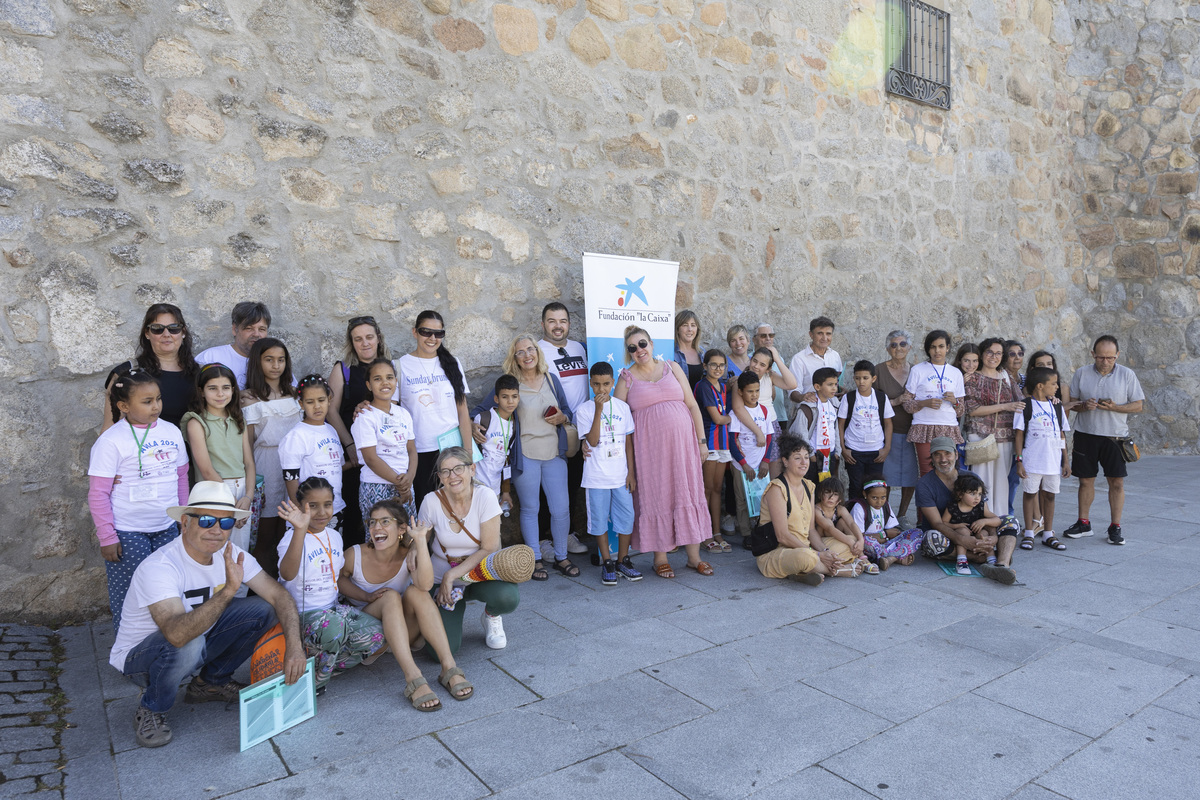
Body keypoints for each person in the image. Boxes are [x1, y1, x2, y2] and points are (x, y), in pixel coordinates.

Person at [109, 481, 304, 748]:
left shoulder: (232, 554)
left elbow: (279, 596)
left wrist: (295, 647)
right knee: (189, 641)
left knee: (264, 609)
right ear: (185, 524)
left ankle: (210, 683)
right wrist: (228, 592)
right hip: (141, 659)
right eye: (206, 520)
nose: (216, 530)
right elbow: (176, 634)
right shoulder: (160, 567)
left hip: (196, 640)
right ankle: (152, 708)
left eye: (225, 523)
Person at [338, 500, 473, 710]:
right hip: (370, 639)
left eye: (385, 521)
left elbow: (426, 584)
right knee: (391, 596)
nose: (376, 528)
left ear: (402, 529)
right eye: (372, 523)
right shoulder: (354, 554)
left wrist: (420, 542)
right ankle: (413, 677)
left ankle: (449, 667)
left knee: (416, 592)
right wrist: (365, 596)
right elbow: (338, 580)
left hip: (404, 634)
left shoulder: (409, 554)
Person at [89, 370, 189, 632]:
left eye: (157, 399)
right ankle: (129, 648)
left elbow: (181, 478)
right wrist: (107, 537)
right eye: (146, 401)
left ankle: (164, 642)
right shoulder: (111, 441)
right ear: (123, 406)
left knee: (166, 588)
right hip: (128, 531)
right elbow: (98, 493)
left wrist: (184, 518)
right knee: (131, 591)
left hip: (167, 527)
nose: (155, 406)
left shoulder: (172, 432)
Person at [615, 325, 714, 578]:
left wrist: (702, 442)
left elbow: (692, 405)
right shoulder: (626, 378)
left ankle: (694, 557)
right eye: (632, 348)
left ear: (652, 344)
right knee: (657, 496)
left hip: (684, 447)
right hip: (649, 453)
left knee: (687, 493)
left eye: (642, 344)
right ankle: (660, 557)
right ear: (628, 353)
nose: (639, 350)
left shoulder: (672, 367)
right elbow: (617, 421)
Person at [476, 335, 576, 581]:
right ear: (515, 358)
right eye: (520, 352)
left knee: (561, 509)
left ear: (538, 353)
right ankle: (534, 560)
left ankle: (562, 556)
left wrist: (562, 418)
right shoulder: (511, 385)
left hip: (554, 453)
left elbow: (568, 411)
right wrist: (471, 424)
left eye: (531, 349)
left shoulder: (552, 380)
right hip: (525, 455)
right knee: (531, 508)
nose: (527, 355)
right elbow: (480, 409)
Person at [276, 478, 384, 691]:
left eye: (327, 504)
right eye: (312, 506)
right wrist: (299, 530)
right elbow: (287, 574)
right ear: (300, 506)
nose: (322, 512)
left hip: (332, 612)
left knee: (376, 634)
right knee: (335, 628)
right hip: (301, 617)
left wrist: (367, 597)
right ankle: (316, 685)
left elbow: (337, 580)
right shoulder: (290, 538)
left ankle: (322, 666)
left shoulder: (334, 536)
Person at [419, 447, 520, 652]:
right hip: (442, 581)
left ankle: (491, 616)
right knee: (439, 653)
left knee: (507, 597)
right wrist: (414, 546)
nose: (452, 476)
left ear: (472, 469)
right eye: (445, 471)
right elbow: (420, 542)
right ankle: (450, 610)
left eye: (458, 469)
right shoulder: (431, 501)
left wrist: (452, 575)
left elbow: (490, 548)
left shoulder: (485, 496)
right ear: (439, 476)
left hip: (479, 574)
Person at [1063, 335, 1145, 546]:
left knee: (1116, 482)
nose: (1105, 361)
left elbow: (1138, 405)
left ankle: (1115, 527)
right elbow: (1072, 404)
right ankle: (1083, 523)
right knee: (1085, 481)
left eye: (1110, 357)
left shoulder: (1127, 374)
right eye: (1101, 357)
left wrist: (1115, 407)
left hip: (1115, 436)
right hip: (1086, 434)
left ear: (1117, 355)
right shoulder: (1081, 373)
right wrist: (1084, 404)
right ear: (1093, 354)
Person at [328, 316, 399, 547]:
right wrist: (350, 446)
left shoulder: (389, 367)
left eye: (369, 337)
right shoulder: (343, 370)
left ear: (378, 338)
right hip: (354, 460)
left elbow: (396, 409)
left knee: (384, 515)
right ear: (352, 343)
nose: (365, 343)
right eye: (358, 339)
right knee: (354, 517)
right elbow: (331, 411)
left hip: (385, 456)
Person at [915, 437, 1018, 585]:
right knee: (931, 539)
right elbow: (937, 523)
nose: (943, 459)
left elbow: (985, 513)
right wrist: (963, 540)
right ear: (931, 457)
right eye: (937, 454)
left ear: (956, 455)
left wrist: (993, 538)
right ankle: (980, 557)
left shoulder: (971, 478)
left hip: (976, 532)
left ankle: (1002, 565)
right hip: (948, 535)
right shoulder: (924, 485)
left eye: (947, 453)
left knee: (1010, 521)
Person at [398, 311, 472, 510]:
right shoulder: (400, 366)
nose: (432, 338)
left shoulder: (453, 363)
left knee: (457, 507)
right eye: (426, 332)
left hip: (452, 449)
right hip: (419, 452)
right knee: (427, 508)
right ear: (415, 332)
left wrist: (469, 455)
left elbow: (463, 412)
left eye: (438, 334)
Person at [574, 362, 640, 584]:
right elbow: (591, 441)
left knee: (626, 517)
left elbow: (629, 443)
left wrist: (631, 473)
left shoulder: (622, 407)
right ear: (591, 384)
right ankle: (607, 562)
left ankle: (622, 560)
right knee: (599, 520)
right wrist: (598, 410)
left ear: (613, 383)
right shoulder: (583, 410)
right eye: (597, 385)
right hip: (596, 477)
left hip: (620, 475)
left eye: (606, 384)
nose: (601, 389)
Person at [241, 338, 301, 578]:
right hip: (266, 463)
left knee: (288, 527)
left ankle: (287, 584)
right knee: (265, 531)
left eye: (281, 360)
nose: (276, 365)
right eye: (269, 360)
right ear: (258, 362)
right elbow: (248, 443)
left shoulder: (295, 394)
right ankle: (264, 590)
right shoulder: (249, 398)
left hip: (294, 465)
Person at [181, 364, 255, 556]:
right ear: (202, 392)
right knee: (215, 549)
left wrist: (248, 496)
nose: (220, 394)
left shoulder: (238, 418)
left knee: (240, 551)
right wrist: (229, 503)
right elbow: (206, 469)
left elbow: (249, 462)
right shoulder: (196, 422)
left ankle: (239, 587)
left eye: (226, 388)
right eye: (212, 388)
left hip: (243, 492)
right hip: (215, 490)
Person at [754, 433, 844, 585]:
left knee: (843, 547)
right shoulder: (777, 489)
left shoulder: (809, 487)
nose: (804, 462)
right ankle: (843, 569)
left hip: (806, 548)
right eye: (797, 458)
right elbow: (782, 536)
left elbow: (811, 531)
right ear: (785, 461)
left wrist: (825, 552)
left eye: (807, 457)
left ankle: (806, 571)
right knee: (805, 558)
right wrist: (817, 555)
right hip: (778, 552)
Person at [537, 302, 590, 557]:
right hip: (551, 428)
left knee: (572, 484)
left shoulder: (579, 348)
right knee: (549, 486)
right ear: (543, 324)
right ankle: (544, 539)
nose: (558, 326)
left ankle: (565, 535)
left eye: (562, 321)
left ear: (569, 323)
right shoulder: (537, 350)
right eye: (552, 321)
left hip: (579, 430)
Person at [102, 303, 199, 430]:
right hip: (141, 448)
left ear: (183, 332)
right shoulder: (126, 373)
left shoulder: (199, 373)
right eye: (157, 328)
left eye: (174, 328)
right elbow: (110, 427)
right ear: (147, 333)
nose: (166, 334)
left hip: (188, 449)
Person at [350, 359, 418, 523]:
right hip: (377, 486)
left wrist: (409, 478)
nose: (385, 382)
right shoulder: (365, 417)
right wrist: (401, 485)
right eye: (377, 379)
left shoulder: (403, 414)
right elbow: (371, 459)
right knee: (380, 538)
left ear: (396, 381)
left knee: (408, 535)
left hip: (406, 485)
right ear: (369, 385)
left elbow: (411, 450)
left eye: (389, 377)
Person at [963, 338, 1024, 517]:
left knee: (1001, 483)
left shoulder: (1006, 376)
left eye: (998, 353)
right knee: (979, 482)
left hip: (1005, 439)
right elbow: (972, 409)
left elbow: (1020, 401)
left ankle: (1000, 520)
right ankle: (979, 518)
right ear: (982, 354)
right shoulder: (973, 378)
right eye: (990, 352)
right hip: (979, 437)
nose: (994, 356)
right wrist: (1005, 406)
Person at [1014, 366, 1071, 551]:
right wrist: (1019, 460)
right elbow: (1019, 435)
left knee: (1050, 495)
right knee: (1030, 494)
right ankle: (1029, 532)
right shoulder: (1025, 406)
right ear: (1040, 386)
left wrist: (1066, 460)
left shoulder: (1056, 405)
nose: (1057, 387)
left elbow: (1061, 434)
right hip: (1032, 460)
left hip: (1052, 461)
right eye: (1053, 384)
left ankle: (1048, 533)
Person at [278, 375, 346, 530]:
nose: (317, 406)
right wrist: (302, 514)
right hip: (308, 513)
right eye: (310, 402)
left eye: (321, 400)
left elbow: (337, 466)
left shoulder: (331, 430)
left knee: (330, 551)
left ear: (329, 399)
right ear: (301, 404)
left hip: (334, 509)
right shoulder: (297, 436)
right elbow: (291, 480)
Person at [904, 330, 965, 477]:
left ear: (948, 348)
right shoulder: (918, 370)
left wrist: (954, 401)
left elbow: (961, 410)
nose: (937, 351)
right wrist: (924, 403)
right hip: (924, 426)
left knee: (948, 471)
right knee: (927, 472)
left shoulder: (956, 373)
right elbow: (906, 403)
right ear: (928, 349)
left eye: (941, 346)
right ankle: (928, 500)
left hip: (948, 427)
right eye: (933, 347)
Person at [732, 345, 796, 477]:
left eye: (762, 364)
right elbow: (738, 409)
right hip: (749, 427)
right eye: (754, 361)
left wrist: (777, 359)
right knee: (752, 474)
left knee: (773, 473)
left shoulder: (770, 377)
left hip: (770, 427)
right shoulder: (740, 381)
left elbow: (792, 384)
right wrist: (758, 432)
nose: (756, 366)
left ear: (768, 369)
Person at [876, 330, 919, 522]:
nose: (898, 348)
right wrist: (897, 401)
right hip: (887, 432)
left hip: (913, 431)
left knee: (911, 476)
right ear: (887, 348)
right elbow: (872, 402)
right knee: (885, 477)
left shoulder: (917, 370)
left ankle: (901, 514)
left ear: (909, 347)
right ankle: (885, 514)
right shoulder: (878, 371)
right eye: (893, 345)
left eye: (902, 344)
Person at [729, 370, 775, 543]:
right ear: (740, 392)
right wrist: (744, 464)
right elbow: (732, 442)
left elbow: (769, 437)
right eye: (750, 391)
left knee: (761, 497)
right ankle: (746, 533)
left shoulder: (763, 410)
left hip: (760, 464)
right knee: (742, 499)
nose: (754, 395)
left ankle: (760, 528)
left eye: (757, 391)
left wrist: (766, 460)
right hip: (742, 465)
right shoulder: (736, 414)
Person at [838, 360, 894, 500]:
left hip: (876, 451)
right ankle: (853, 516)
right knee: (856, 486)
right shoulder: (849, 398)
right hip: (854, 452)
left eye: (865, 378)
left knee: (875, 486)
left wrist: (886, 448)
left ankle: (871, 517)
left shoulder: (881, 398)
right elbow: (840, 424)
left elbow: (888, 423)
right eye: (857, 378)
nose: (861, 382)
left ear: (873, 379)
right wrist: (843, 449)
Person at [694, 349, 733, 553]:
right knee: (706, 489)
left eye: (721, 365)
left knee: (718, 488)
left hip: (723, 443)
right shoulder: (703, 386)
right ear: (705, 366)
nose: (718, 368)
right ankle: (704, 533)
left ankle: (716, 532)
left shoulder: (724, 386)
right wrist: (731, 418)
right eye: (713, 365)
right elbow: (718, 419)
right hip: (708, 443)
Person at [195, 301, 271, 390]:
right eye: (249, 328)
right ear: (235, 329)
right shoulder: (210, 358)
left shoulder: (274, 362)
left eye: (262, 329)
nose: (256, 334)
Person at [851, 479, 923, 569]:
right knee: (867, 541)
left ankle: (890, 558)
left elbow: (893, 531)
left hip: (885, 543)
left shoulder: (885, 506)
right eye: (874, 498)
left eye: (883, 497)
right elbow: (859, 536)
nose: (879, 502)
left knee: (917, 533)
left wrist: (886, 537)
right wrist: (883, 534)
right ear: (865, 494)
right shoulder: (859, 508)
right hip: (871, 544)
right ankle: (897, 556)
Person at [473, 375, 519, 513]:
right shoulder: (484, 418)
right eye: (505, 397)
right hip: (475, 484)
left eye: (514, 396)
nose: (510, 401)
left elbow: (506, 459)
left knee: (492, 526)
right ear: (496, 399)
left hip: (495, 489)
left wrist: (505, 491)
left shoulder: (514, 425)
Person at [943, 473, 1002, 575]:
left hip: (976, 534)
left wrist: (984, 521)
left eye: (979, 494)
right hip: (959, 537)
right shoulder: (953, 507)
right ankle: (961, 561)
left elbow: (997, 520)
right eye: (972, 494)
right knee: (963, 531)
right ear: (960, 494)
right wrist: (957, 526)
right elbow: (943, 523)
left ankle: (991, 560)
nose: (977, 498)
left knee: (984, 533)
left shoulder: (980, 506)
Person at [813, 477, 872, 575]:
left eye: (835, 494)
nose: (831, 497)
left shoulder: (840, 509)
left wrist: (861, 540)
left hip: (838, 538)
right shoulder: (817, 510)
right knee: (828, 524)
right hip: (823, 543)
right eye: (827, 492)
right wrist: (850, 542)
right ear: (820, 494)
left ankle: (860, 555)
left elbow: (851, 523)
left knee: (843, 523)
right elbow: (830, 528)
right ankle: (854, 553)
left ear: (839, 499)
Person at [795, 367, 842, 483]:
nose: (834, 388)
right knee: (811, 487)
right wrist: (810, 454)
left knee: (827, 488)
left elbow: (835, 429)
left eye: (836, 384)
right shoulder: (807, 407)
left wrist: (837, 452)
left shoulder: (834, 404)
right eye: (830, 384)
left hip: (830, 454)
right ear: (817, 387)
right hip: (813, 455)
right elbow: (801, 433)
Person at [789, 316, 843, 410]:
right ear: (811, 334)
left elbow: (835, 382)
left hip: (832, 411)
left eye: (828, 334)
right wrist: (803, 397)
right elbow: (793, 390)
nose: (824, 338)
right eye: (820, 333)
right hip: (810, 412)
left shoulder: (835, 356)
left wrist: (841, 389)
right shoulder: (799, 359)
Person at [752, 323, 795, 425]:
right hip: (756, 418)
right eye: (763, 336)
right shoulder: (751, 361)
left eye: (771, 335)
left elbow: (792, 385)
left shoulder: (779, 359)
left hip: (777, 414)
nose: (768, 338)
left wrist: (777, 359)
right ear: (754, 339)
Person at [673, 310, 705, 389]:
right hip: (681, 400)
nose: (690, 329)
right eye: (685, 325)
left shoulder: (702, 352)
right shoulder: (671, 354)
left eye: (693, 325)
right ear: (677, 329)